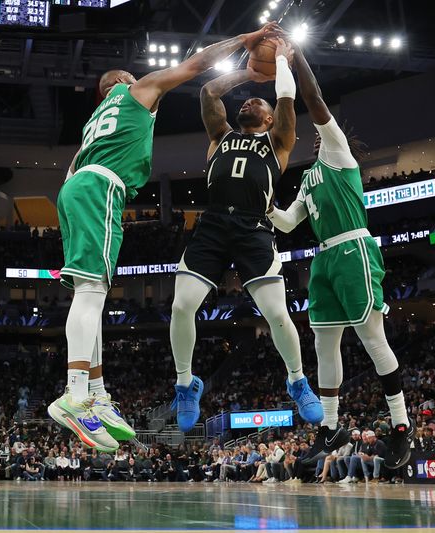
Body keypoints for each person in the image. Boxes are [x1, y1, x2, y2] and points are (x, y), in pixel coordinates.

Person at [48, 22, 284, 452]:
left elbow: (71, 175)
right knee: (90, 294)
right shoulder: (131, 92)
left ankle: (96, 394)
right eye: (133, 78)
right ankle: (75, 393)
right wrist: (244, 42)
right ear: (121, 84)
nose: (142, 80)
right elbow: (196, 66)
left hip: (78, 189)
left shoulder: (95, 121)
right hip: (101, 189)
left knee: (93, 291)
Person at [267, 44, 413, 468]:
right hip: (324, 258)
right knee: (323, 343)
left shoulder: (339, 153)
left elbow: (314, 100)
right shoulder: (310, 176)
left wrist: (294, 60)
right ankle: (330, 428)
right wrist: (261, 203)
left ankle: (402, 425)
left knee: (372, 339)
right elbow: (289, 222)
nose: (316, 131)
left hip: (353, 249)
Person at [170, 38, 322, 432]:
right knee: (182, 306)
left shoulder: (279, 141)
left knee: (276, 313)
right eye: (248, 102)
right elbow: (208, 91)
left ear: (271, 119)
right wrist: (250, 74)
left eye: (259, 103)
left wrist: (283, 65)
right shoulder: (220, 135)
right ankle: (186, 385)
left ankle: (297, 380)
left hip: (254, 226)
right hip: (214, 223)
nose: (250, 102)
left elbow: (287, 101)